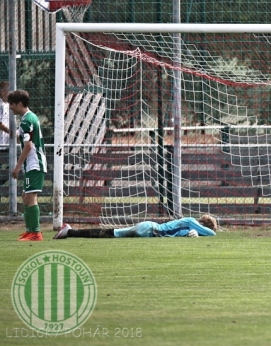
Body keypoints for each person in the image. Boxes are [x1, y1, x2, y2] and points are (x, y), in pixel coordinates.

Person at [0, 90, 47, 241]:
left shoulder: (27, 120)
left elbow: (28, 146)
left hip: (34, 162)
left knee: (30, 196)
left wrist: (17, 166)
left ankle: (36, 233)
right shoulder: (29, 118)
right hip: (31, 163)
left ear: (20, 104)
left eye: (12, 105)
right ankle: (30, 230)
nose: (10, 108)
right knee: (25, 196)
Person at [53, 214, 217, 239]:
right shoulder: (191, 221)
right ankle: (70, 231)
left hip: (149, 229)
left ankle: (70, 232)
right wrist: (199, 233)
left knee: (113, 234)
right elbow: (212, 235)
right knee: (114, 233)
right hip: (150, 229)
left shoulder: (189, 229)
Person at [0, 82, 10, 186]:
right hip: (0, 144)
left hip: (7, 145)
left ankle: (1, 185)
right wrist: (10, 132)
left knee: (14, 162)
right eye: (6, 89)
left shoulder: (9, 105)